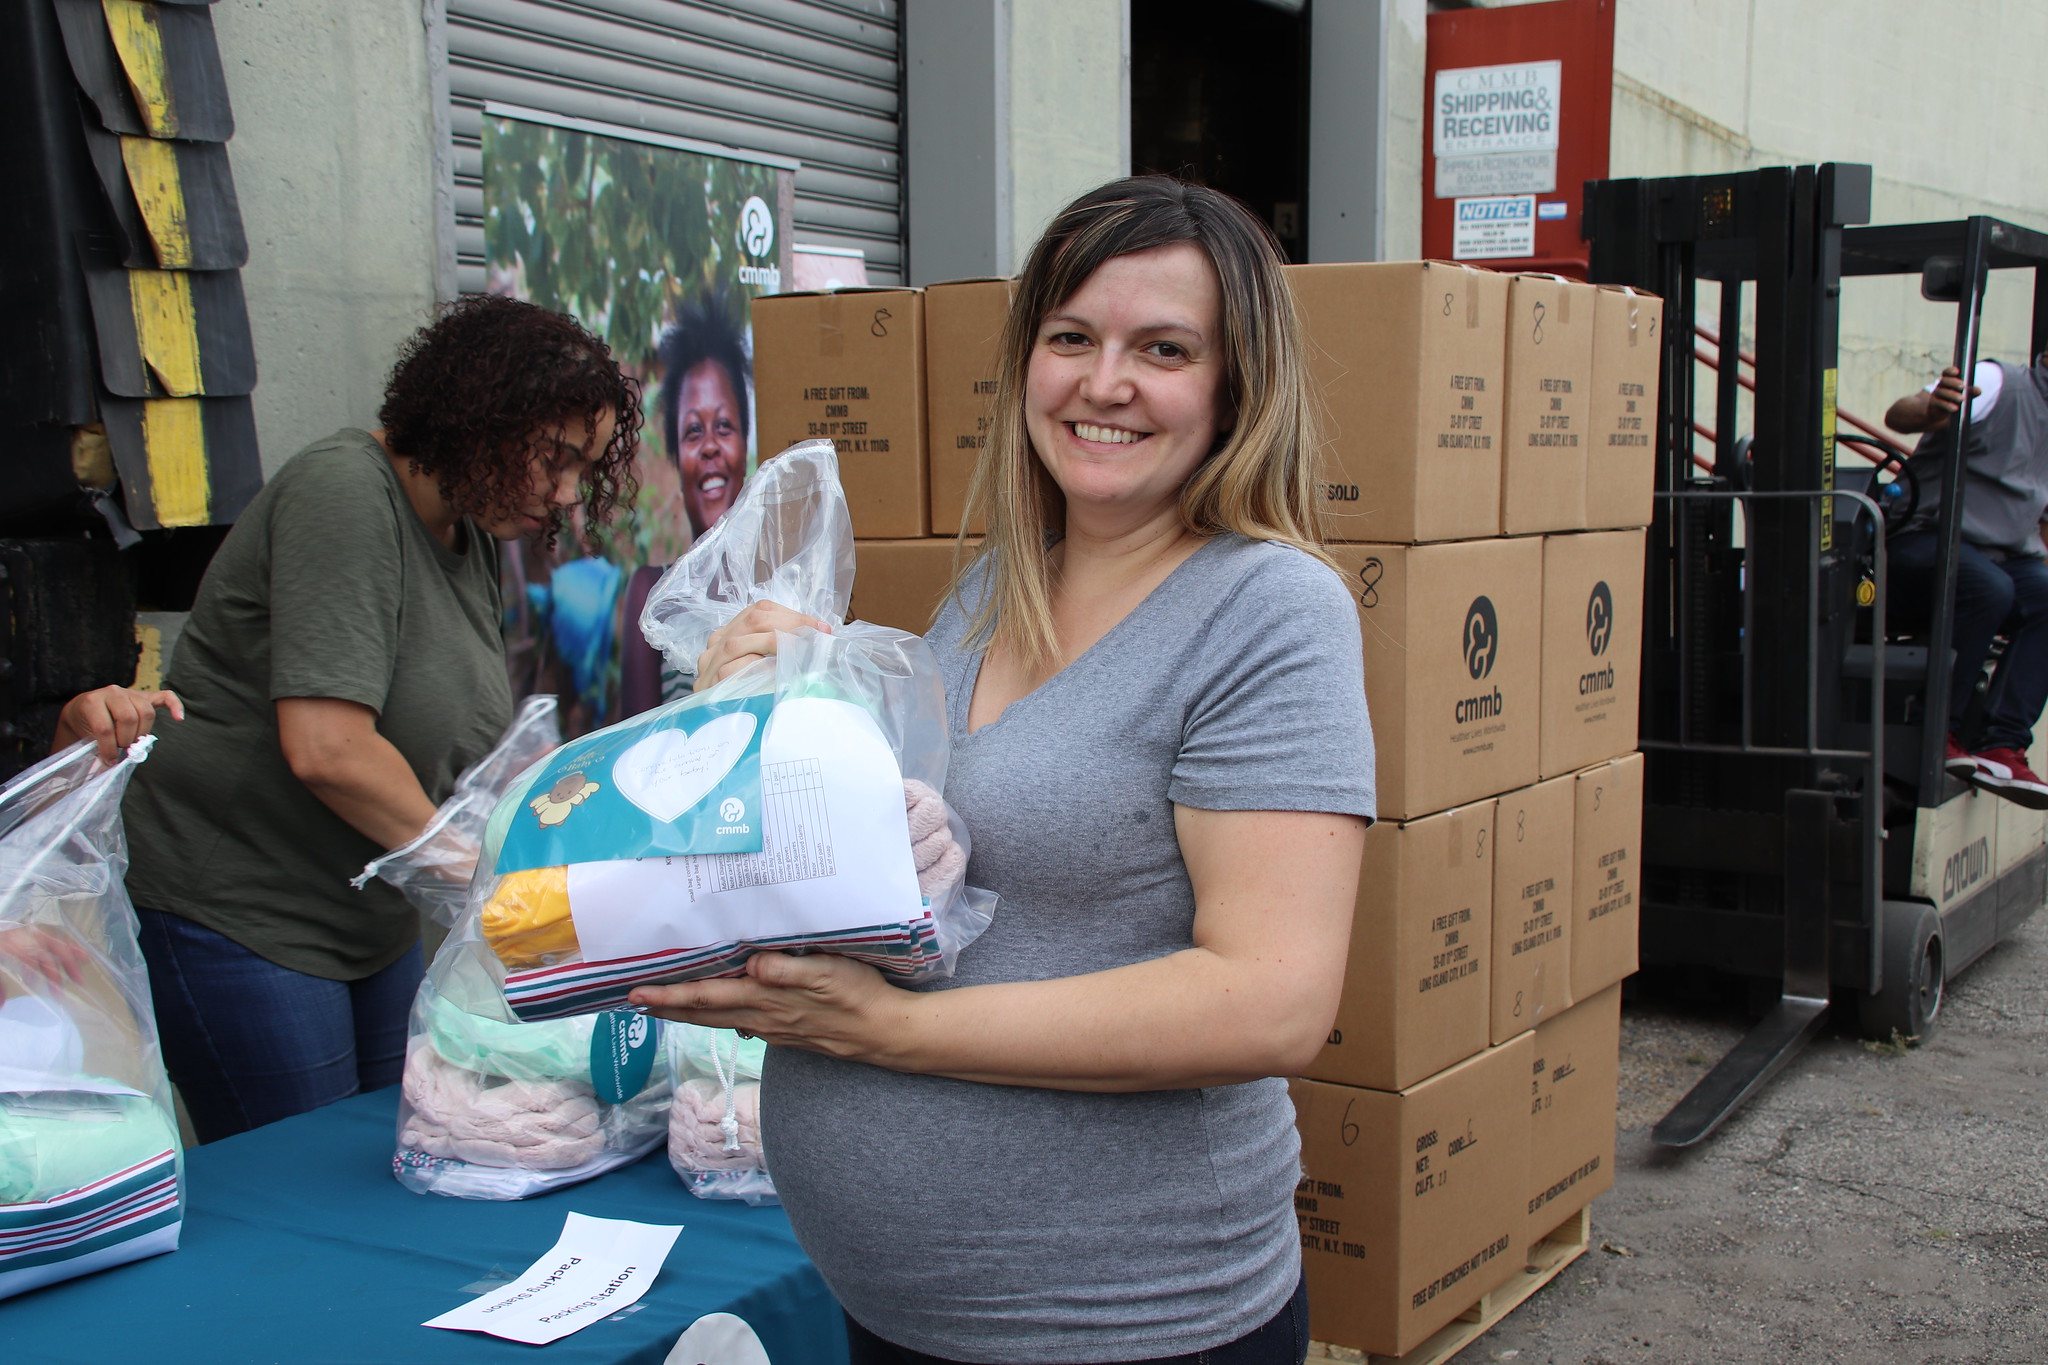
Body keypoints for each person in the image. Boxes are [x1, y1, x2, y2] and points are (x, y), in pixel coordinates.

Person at [635, 176, 1375, 1365]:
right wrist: (788, 699)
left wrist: (887, 1034)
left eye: (1163, 348)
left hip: (1123, 1325)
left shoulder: (1266, 611)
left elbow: (1271, 999)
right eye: (1070, 337)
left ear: (1238, 385)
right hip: (904, 1315)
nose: (1103, 383)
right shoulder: (996, 587)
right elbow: (925, 851)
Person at [116, 294, 641, 1142]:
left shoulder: (467, 538)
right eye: (556, 457)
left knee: (396, 1155)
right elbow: (327, 747)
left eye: (585, 468)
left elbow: (460, 746)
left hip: (365, 925)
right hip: (242, 913)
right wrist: (479, 878)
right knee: (309, 1186)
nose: (569, 493)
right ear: (483, 415)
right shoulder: (346, 492)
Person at [1886, 349, 2048, 807]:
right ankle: (1937, 729)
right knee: (1989, 588)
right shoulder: (1998, 383)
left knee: (2040, 595)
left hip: (1997, 555)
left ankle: (2003, 742)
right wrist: (1932, 411)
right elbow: (1901, 413)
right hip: (1922, 537)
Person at [620, 294, 755, 712]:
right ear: (677, 460)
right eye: (694, 432)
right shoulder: (652, 596)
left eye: (725, 426)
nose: (711, 446)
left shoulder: (783, 583)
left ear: (745, 445)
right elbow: (633, 743)